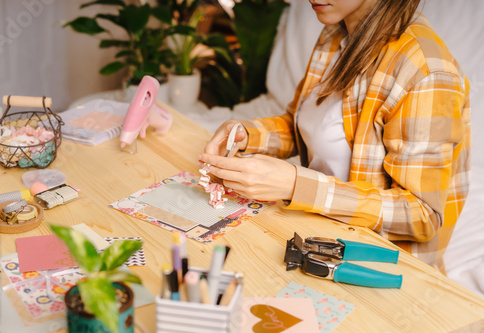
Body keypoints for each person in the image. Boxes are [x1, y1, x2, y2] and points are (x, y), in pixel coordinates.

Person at [199, 0, 471, 271]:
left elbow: (421, 215)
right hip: (315, 239)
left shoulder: (427, 71)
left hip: (376, 268)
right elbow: (307, 128)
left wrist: (297, 186)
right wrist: (248, 134)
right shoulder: (336, 32)